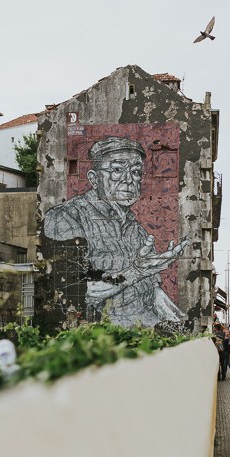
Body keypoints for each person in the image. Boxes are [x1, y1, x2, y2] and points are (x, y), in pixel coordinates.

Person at [43, 136, 188, 328]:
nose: (129, 180)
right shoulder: (65, 217)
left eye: (136, 172)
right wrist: (138, 270)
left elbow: (153, 293)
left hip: (146, 337)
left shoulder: (137, 231)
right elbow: (77, 290)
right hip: (101, 340)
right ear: (94, 179)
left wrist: (179, 325)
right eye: (117, 170)